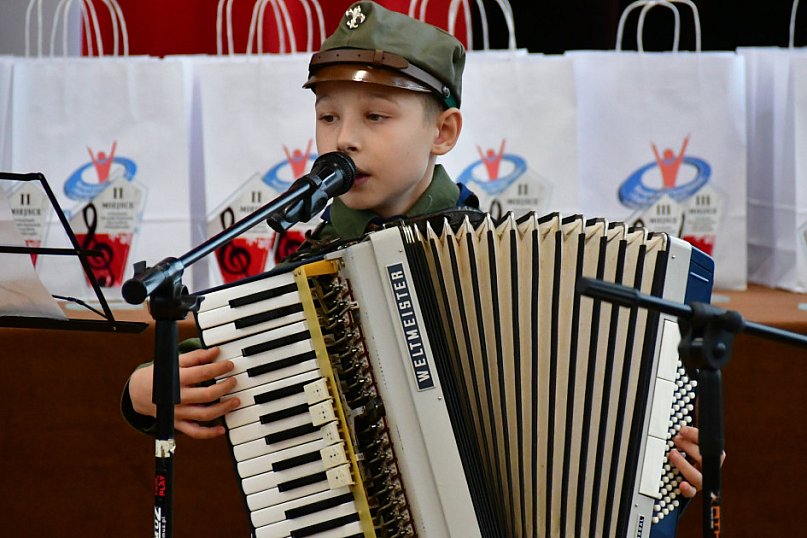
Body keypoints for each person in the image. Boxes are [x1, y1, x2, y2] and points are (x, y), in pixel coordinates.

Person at [121, 2, 721, 535]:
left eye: (375, 117)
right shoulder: (313, 263)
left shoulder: (504, 259)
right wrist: (144, 392)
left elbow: (629, 429)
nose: (344, 140)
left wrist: (671, 464)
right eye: (328, 117)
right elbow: (225, 357)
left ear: (444, 131)